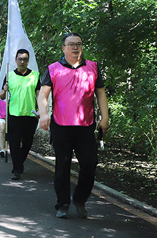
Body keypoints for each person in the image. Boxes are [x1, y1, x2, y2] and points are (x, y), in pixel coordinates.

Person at [38, 33, 109, 219]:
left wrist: (105, 118)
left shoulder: (92, 67)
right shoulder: (53, 69)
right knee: (62, 165)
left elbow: (100, 94)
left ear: (82, 47)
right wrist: (44, 114)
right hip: (61, 125)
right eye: (71, 45)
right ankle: (62, 204)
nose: (75, 47)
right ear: (63, 48)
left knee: (90, 164)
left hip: (86, 125)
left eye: (78, 44)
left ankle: (80, 198)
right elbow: (43, 94)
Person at [0, 49, 40, 181]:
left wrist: (41, 110)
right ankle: (16, 169)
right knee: (14, 144)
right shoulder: (9, 75)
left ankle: (19, 163)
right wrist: (4, 90)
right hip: (14, 114)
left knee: (27, 143)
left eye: (25, 59)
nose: (22, 61)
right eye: (20, 59)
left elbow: (39, 94)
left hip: (30, 115)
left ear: (28, 60)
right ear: (16, 60)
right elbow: (1, 96)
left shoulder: (35, 75)